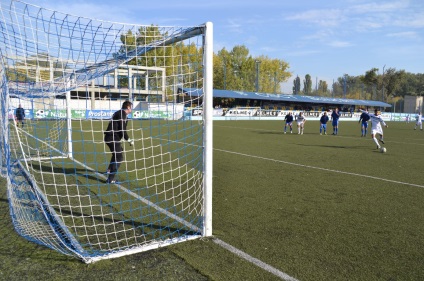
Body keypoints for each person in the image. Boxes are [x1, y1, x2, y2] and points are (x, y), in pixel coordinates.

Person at [104, 101, 134, 184]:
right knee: (119, 157)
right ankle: (110, 179)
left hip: (111, 137)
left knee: (118, 151)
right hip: (112, 137)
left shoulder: (121, 114)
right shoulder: (122, 114)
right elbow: (122, 129)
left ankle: (109, 170)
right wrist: (128, 139)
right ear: (128, 107)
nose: (132, 108)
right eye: (131, 107)